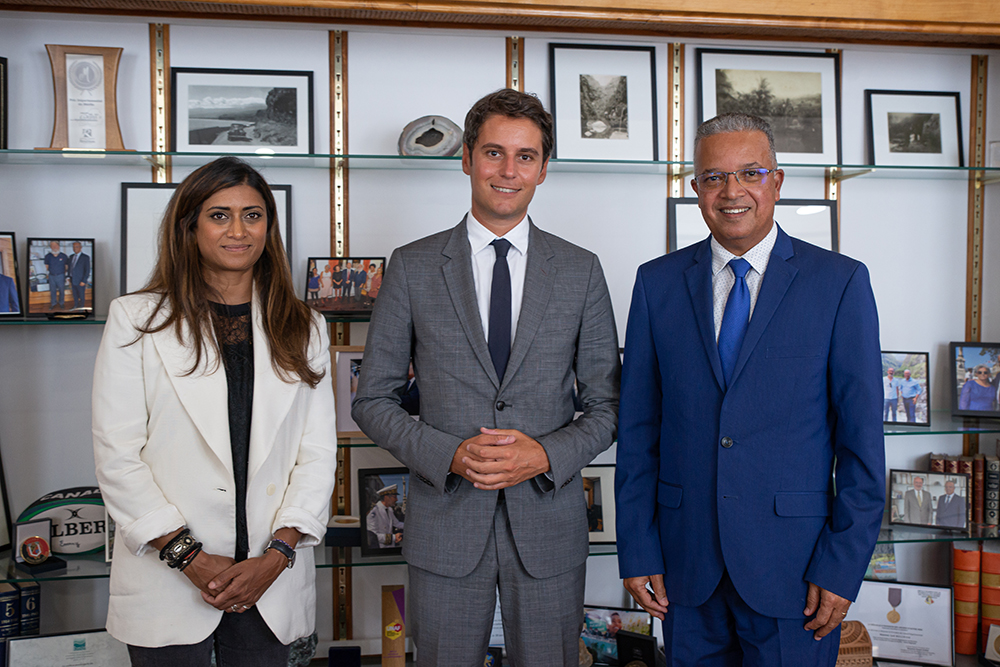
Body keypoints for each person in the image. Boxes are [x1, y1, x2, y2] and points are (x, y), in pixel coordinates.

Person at [352, 88, 620, 666]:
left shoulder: (580, 270)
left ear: (543, 168)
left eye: (525, 156)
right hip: (445, 525)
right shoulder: (413, 265)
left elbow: (608, 407)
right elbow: (372, 399)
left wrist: (544, 455)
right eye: (494, 152)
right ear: (467, 157)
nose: (508, 170)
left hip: (548, 529)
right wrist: (449, 454)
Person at [615, 112, 884, 665]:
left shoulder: (840, 283)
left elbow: (862, 447)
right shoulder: (656, 283)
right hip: (685, 572)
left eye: (750, 173)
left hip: (798, 573)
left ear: (777, 183)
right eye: (713, 177)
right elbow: (639, 431)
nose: (731, 191)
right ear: (695, 190)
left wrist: (841, 567)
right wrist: (637, 548)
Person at [92, 157, 338, 666]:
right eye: (219, 215)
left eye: (253, 215)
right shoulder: (136, 321)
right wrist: (188, 557)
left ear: (268, 227)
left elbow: (316, 456)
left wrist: (278, 556)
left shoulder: (304, 326)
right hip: (172, 573)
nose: (239, 230)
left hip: (269, 578)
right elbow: (117, 456)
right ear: (190, 227)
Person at [43, 240, 68, 310]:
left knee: (61, 290)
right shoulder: (48, 256)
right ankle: (53, 303)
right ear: (50, 247)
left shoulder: (64, 256)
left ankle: (61, 303)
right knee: (52, 290)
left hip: (61, 276)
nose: (54, 247)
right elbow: (47, 267)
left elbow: (66, 267)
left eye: (55, 245)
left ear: (58, 246)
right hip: (51, 276)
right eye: (52, 246)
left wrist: (63, 274)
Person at [69, 241, 91, 310]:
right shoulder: (71, 256)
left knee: (81, 295)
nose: (75, 248)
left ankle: (81, 307)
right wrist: (68, 278)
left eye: (77, 247)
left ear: (81, 248)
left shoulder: (85, 257)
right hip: (72, 279)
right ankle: (75, 305)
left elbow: (87, 270)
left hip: (81, 280)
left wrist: (84, 281)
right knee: (75, 294)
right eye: (74, 247)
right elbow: (70, 268)